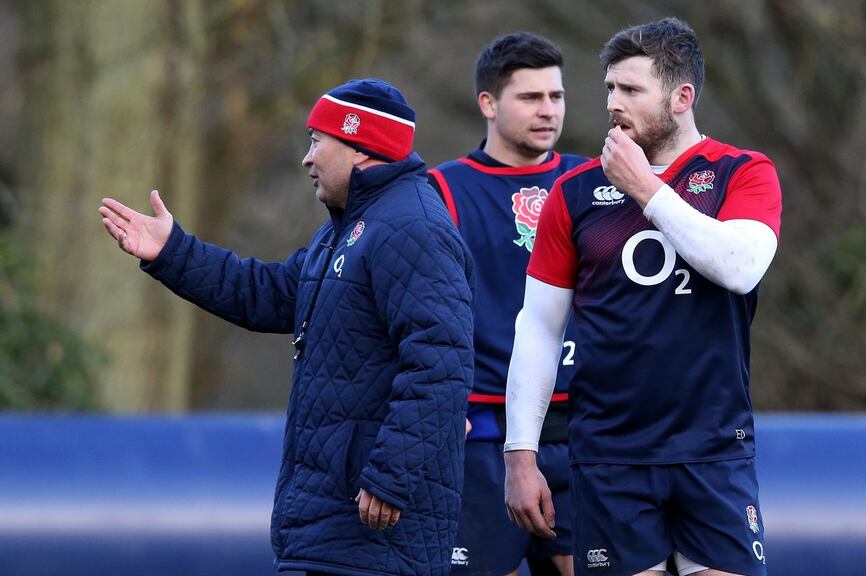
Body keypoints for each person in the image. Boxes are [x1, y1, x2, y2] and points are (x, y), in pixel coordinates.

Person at [99, 79, 475, 576]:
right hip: (330, 531)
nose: (307, 158)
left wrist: (389, 477)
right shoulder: (347, 230)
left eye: (318, 141)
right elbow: (265, 294)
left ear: (361, 146)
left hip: (375, 538)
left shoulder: (413, 228)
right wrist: (174, 253)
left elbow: (441, 364)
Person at [503, 18, 782, 576]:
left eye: (631, 90)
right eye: (610, 88)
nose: (613, 103)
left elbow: (739, 267)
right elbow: (538, 328)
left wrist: (645, 188)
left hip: (712, 451)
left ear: (682, 97)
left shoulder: (741, 173)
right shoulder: (575, 192)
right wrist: (520, 453)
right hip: (611, 456)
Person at [428, 32, 587, 576]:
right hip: (484, 430)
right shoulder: (441, 191)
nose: (548, 110)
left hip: (585, 425)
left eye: (556, 96)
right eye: (531, 97)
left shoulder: (596, 184)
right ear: (489, 104)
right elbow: (415, 315)